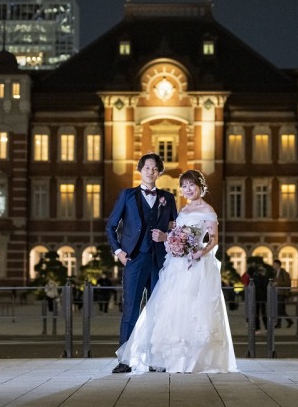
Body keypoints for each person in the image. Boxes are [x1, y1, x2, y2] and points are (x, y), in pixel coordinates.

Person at [116, 169, 237, 374]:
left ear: (200, 186)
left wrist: (201, 252)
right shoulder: (183, 211)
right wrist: (169, 240)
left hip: (196, 264)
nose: (188, 189)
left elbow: (214, 239)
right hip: (176, 264)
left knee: (193, 309)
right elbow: (175, 232)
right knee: (172, 308)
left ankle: (193, 359)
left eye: (192, 185)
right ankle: (172, 358)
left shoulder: (208, 210)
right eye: (184, 186)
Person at [106, 152, 178, 374]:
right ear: (140, 170)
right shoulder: (127, 195)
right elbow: (110, 226)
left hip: (160, 262)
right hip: (134, 260)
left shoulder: (168, 198)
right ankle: (125, 360)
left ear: (159, 173)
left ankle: (156, 360)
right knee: (131, 311)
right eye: (147, 168)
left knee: (158, 311)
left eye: (155, 169)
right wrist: (118, 252)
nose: (151, 171)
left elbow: (176, 228)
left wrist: (165, 236)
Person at [272, 259, 293, 328]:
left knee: (279, 308)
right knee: (280, 308)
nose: (273, 265)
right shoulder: (275, 273)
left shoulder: (284, 273)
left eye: (274, 264)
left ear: (278, 265)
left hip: (282, 293)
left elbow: (288, 283)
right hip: (277, 292)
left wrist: (278, 283)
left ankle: (284, 322)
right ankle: (283, 322)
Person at [252, 266, 269, 333]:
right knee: (264, 313)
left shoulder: (254, 278)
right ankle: (266, 328)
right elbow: (266, 287)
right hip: (262, 298)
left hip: (255, 297)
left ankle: (257, 329)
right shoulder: (265, 278)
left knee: (256, 313)